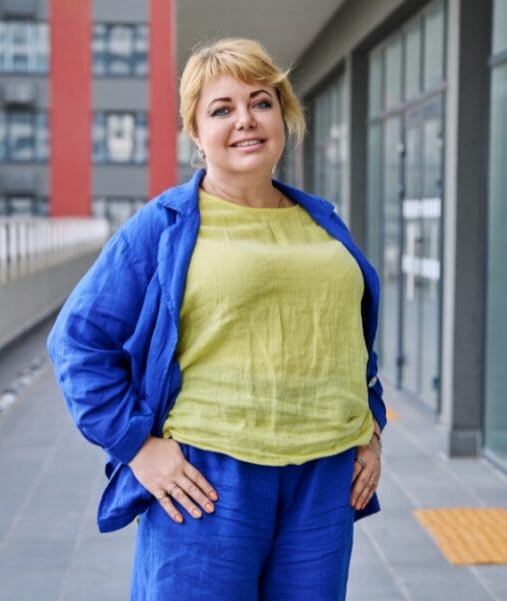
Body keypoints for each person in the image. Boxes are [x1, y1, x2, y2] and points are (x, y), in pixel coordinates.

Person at [47, 38, 385, 601]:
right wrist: (138, 446)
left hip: (326, 479)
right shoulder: (166, 224)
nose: (245, 121)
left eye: (261, 102)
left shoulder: (323, 222)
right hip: (208, 479)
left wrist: (371, 426)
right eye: (222, 109)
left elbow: (348, 334)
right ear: (196, 135)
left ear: (284, 115)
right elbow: (77, 340)